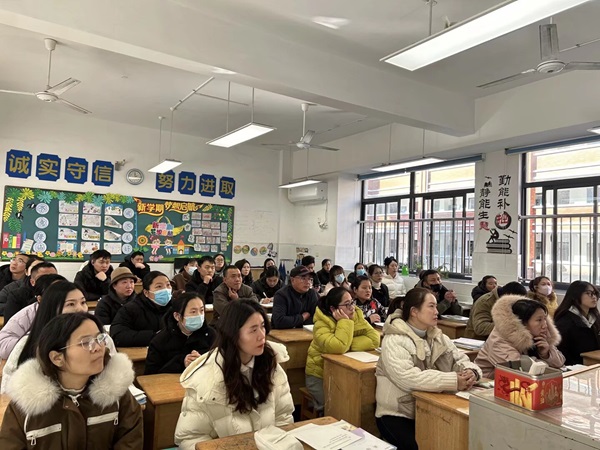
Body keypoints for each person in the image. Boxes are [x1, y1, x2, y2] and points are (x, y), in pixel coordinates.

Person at [0, 313, 143, 449]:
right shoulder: (26, 405)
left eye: (100, 338)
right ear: (57, 358)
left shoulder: (116, 392)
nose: (98, 348)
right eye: (86, 342)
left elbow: (130, 440)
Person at [174, 300, 294, 448]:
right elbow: (190, 438)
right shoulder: (206, 379)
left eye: (263, 326)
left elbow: (283, 418)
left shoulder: (272, 367)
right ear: (233, 334)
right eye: (253, 330)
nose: (262, 335)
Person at [375, 287, 482, 450]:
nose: (436, 311)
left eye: (436, 306)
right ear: (414, 312)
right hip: (398, 413)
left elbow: (460, 359)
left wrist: (471, 372)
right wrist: (454, 380)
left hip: (432, 408)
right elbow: (408, 378)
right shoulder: (395, 339)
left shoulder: (438, 337)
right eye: (431, 306)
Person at [1, 280, 93, 393]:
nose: (81, 309)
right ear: (52, 308)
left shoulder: (99, 340)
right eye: (71, 304)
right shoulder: (27, 343)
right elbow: (8, 388)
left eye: (83, 302)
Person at [305, 287, 380, 411]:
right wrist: (344, 321)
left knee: (357, 404)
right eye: (347, 304)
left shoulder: (356, 315)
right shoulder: (321, 323)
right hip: (320, 375)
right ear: (333, 309)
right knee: (334, 407)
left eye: (352, 302)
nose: (352, 307)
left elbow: (374, 339)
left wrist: (348, 344)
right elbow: (339, 346)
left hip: (346, 373)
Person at [475, 297, 565, 379]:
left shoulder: (539, 335)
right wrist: (545, 364)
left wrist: (546, 354)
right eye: (539, 320)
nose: (545, 325)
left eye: (545, 319)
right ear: (522, 323)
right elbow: (520, 370)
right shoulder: (499, 340)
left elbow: (560, 363)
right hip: (489, 383)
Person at [145, 293, 215, 374]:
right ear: (177, 316)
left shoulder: (211, 335)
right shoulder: (160, 341)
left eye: (201, 310)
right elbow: (150, 374)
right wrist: (182, 363)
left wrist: (204, 362)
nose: (199, 315)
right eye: (193, 312)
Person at [0, 274, 66, 360]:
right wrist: (37, 345)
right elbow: (3, 344)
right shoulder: (27, 314)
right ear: (40, 299)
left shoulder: (76, 312)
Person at [110, 271, 172, 347]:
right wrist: (155, 336)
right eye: (159, 286)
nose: (165, 289)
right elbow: (117, 336)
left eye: (168, 285)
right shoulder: (131, 309)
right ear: (146, 292)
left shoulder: (176, 307)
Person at [554, 281, 600, 365]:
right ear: (575, 296)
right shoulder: (565, 322)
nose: (594, 297)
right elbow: (562, 352)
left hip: (594, 362)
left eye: (595, 293)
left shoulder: (595, 318)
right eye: (588, 293)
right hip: (576, 366)